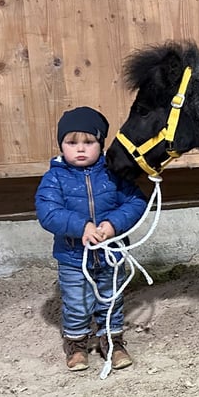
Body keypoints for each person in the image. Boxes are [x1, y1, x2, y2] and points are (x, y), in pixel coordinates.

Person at [35, 107, 148, 372]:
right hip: (74, 257)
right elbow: (48, 211)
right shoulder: (55, 178)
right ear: (61, 145)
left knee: (112, 299)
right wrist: (81, 227)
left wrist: (112, 225)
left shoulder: (114, 174)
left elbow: (135, 202)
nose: (80, 149)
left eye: (89, 142)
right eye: (72, 142)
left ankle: (112, 341)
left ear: (101, 144)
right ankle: (76, 344)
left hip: (112, 254)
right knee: (77, 302)